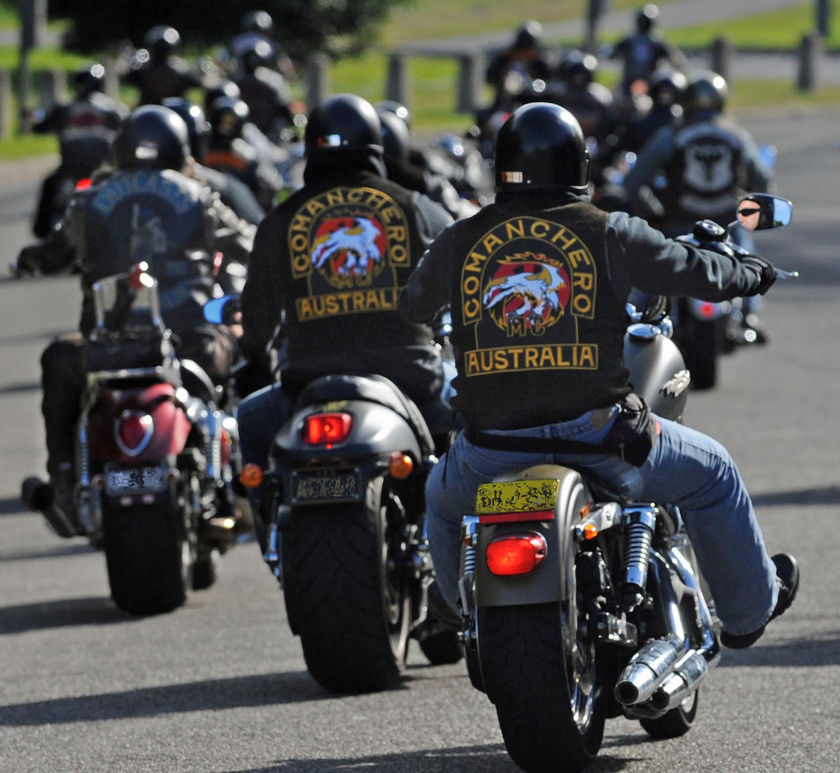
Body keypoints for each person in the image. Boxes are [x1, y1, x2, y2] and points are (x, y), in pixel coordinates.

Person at [398, 101, 799, 649]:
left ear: (502, 169)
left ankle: (461, 614)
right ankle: (749, 614)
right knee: (714, 473)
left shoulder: (460, 240)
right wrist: (751, 272)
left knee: (441, 501)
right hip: (596, 437)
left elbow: (413, 306)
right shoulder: (608, 231)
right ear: (577, 166)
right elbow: (697, 272)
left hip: (491, 449)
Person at [17, 105, 254, 529]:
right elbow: (247, 244)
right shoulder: (198, 196)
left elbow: (53, 255)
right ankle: (247, 483)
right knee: (248, 352)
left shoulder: (89, 201)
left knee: (58, 362)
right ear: (180, 149)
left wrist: (29, 260)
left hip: (108, 348)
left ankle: (65, 484)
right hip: (191, 344)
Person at [236, 93, 454, 486]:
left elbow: (257, 319)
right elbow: (458, 267)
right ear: (376, 146)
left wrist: (254, 358)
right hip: (411, 380)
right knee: (465, 418)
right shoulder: (414, 207)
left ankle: (263, 514)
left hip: (307, 383)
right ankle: (451, 509)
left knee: (249, 417)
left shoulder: (281, 221)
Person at [622, 70, 774, 339]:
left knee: (650, 273)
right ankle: (750, 315)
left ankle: (634, 318)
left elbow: (634, 182)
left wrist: (652, 211)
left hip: (678, 225)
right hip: (726, 226)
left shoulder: (671, 135)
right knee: (749, 259)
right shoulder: (736, 135)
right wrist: (752, 208)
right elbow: (761, 179)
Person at [31, 63, 129, 237]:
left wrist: (35, 121)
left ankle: (42, 234)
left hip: (69, 171)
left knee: (49, 186)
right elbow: (129, 128)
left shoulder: (65, 109)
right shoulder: (113, 110)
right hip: (103, 172)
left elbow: (40, 127)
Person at [608, 4, 685, 97]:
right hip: (648, 84)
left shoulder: (628, 40)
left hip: (634, 83)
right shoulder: (656, 42)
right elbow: (675, 60)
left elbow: (612, 55)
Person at [123, 25, 203, 105]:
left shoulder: (142, 72)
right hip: (160, 110)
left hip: (160, 110)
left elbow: (124, 75)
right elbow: (200, 82)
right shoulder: (182, 73)